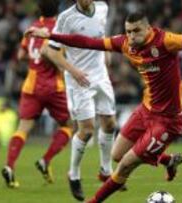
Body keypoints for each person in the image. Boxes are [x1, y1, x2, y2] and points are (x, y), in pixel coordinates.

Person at [27, 10, 182, 202]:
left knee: (124, 166)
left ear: (148, 28)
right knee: (116, 155)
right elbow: (88, 42)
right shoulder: (124, 44)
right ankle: (168, 160)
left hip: (168, 120)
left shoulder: (166, 41)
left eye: (136, 30)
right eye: (128, 31)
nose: (131, 35)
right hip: (145, 111)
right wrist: (51, 35)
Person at [41, 0, 119, 201]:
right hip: (78, 79)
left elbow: (102, 33)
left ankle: (105, 170)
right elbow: (51, 50)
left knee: (110, 124)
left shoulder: (103, 8)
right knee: (86, 130)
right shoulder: (66, 18)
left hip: (100, 75)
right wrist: (73, 71)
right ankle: (73, 174)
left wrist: (107, 51)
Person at [1, 0, 72, 188]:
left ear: (39, 9)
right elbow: (56, 56)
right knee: (69, 125)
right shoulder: (58, 29)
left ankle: (9, 166)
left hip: (31, 85)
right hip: (53, 86)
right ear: (58, 9)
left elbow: (21, 56)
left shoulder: (32, 28)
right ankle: (45, 160)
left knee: (23, 128)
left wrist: (34, 60)